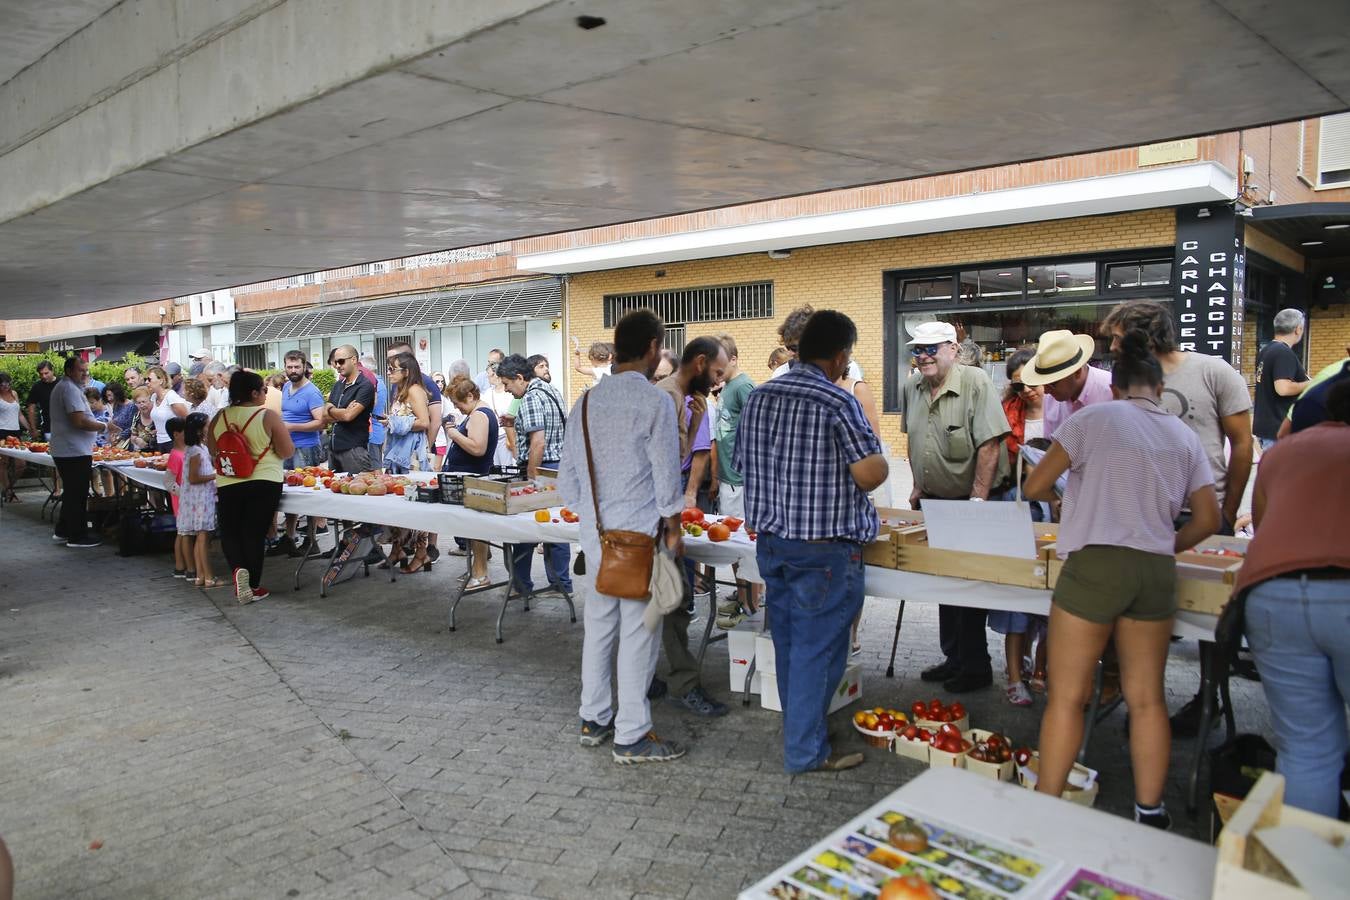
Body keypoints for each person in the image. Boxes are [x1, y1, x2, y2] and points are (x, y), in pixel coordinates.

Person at [1024, 328, 1219, 831]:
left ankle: (1046, 805)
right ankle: (1150, 810)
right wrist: (1163, 544)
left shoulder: (1093, 419)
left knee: (1067, 695)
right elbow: (1207, 518)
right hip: (1154, 570)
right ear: (1158, 388)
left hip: (1095, 563)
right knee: (1148, 697)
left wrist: (1079, 494)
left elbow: (1036, 483)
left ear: (1116, 386)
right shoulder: (1182, 435)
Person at [737, 310, 888, 773]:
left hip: (774, 544)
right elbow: (868, 473)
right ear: (841, 355)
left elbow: (742, 462)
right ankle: (806, 750)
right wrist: (880, 464)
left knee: (787, 641)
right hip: (823, 549)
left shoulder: (761, 397)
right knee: (818, 649)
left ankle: (801, 732)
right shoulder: (836, 401)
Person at [1101, 300, 1253, 735]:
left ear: (1144, 336)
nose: (1111, 346)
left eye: (1117, 337)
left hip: (1200, 516)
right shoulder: (1126, 379)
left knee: (1209, 617)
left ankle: (1208, 698)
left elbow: (1242, 444)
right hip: (1141, 518)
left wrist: (1225, 510)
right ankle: (1144, 703)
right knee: (1144, 619)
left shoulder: (1213, 372)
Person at [558, 309, 687, 764]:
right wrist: (674, 527)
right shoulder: (654, 403)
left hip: (595, 537)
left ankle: (593, 719)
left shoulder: (586, 403)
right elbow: (668, 481)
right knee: (639, 635)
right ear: (653, 348)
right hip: (638, 538)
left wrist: (595, 513)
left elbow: (567, 482)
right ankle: (632, 734)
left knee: (599, 628)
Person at [1236, 380, 1350, 816]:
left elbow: (1265, 524)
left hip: (1273, 593)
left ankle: (1305, 872)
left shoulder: (1283, 452)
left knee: (1305, 749)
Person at [901, 321, 1011, 693]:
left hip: (969, 502)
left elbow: (990, 443)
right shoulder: (912, 386)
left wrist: (979, 498)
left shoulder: (975, 382)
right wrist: (917, 483)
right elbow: (914, 438)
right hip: (935, 500)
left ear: (953, 348)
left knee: (968, 587)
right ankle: (954, 657)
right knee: (944, 586)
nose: (923, 356)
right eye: (917, 350)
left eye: (931, 349)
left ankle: (976, 665)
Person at [652, 337, 731, 716]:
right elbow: (664, 466)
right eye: (716, 372)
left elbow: (688, 453)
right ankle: (682, 684)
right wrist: (673, 527)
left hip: (661, 516)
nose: (719, 381)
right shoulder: (666, 397)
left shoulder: (690, 400)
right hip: (654, 519)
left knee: (667, 602)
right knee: (675, 601)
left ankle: (652, 678)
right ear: (699, 362)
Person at [208, 370, 295, 604]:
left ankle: (238, 570)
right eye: (264, 390)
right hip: (264, 480)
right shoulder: (267, 416)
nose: (266, 394)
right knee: (253, 534)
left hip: (228, 482)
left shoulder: (220, 417)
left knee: (230, 532)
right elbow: (287, 451)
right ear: (254, 392)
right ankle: (253, 586)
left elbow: (212, 450)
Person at [992, 347, 1047, 705]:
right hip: (1016, 504)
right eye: (1018, 385)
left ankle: (1041, 667)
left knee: (1047, 594)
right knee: (1015, 591)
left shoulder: (1064, 408)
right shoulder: (1006, 411)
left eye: (1032, 382)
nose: (1026, 390)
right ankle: (1014, 675)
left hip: (1057, 508)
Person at [497, 354, 572, 597]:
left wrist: (532, 479)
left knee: (523, 531)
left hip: (542, 467)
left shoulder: (529, 398)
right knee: (555, 529)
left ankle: (521, 586)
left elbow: (538, 443)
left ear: (520, 378)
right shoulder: (550, 390)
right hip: (559, 466)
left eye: (507, 384)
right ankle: (561, 584)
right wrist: (517, 420)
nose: (507, 390)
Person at [712, 334, 761, 628]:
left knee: (745, 544)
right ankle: (745, 594)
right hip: (729, 478)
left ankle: (750, 602)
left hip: (743, 480)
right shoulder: (727, 387)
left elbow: (759, 430)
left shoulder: (744, 386)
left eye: (720, 363)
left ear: (733, 359)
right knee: (735, 544)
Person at [443, 376, 501, 588]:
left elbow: (478, 448)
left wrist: (452, 433)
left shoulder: (479, 415)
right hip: (472, 477)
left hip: (472, 478)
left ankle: (480, 573)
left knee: (476, 529)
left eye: (458, 403)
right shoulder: (480, 413)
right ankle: (477, 570)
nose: (458, 408)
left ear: (470, 396)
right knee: (476, 529)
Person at [382, 351, 433, 573]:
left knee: (416, 506)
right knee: (397, 505)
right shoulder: (399, 390)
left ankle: (422, 554)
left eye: (392, 369)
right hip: (398, 456)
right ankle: (397, 549)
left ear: (407, 371)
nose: (389, 373)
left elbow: (424, 422)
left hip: (411, 458)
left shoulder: (414, 391)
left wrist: (395, 422)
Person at [49, 356, 107, 548]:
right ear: (68, 371)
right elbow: (79, 421)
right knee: (77, 493)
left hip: (71, 449)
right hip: (72, 450)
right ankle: (77, 535)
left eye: (86, 370)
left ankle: (63, 530)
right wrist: (103, 426)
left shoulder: (68, 387)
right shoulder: (68, 389)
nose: (85, 374)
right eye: (80, 370)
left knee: (72, 492)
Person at [277, 350, 328, 555]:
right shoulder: (287, 387)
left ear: (304, 367)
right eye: (289, 367)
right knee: (289, 493)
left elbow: (320, 423)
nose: (293, 371)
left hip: (306, 447)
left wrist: (292, 427)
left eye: (297, 367)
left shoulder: (312, 392)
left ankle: (312, 539)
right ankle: (289, 537)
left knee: (306, 494)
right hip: (287, 446)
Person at [1025, 331, 1114, 440]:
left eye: (1052, 383)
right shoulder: (1051, 397)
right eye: (1043, 383)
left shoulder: (1111, 391)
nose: (1046, 390)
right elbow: (1048, 444)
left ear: (1077, 372)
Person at [1252, 308, 1310, 450]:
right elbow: (1283, 389)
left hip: (1265, 427)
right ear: (1298, 329)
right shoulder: (1283, 353)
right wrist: (1312, 383)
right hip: (1278, 430)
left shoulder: (1266, 350)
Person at [771, 304, 864, 382]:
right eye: (788, 347)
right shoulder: (781, 373)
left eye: (795, 348)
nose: (790, 353)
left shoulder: (849, 369)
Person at [324, 345, 375, 474]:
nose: (337, 365)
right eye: (335, 362)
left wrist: (331, 409)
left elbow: (348, 416)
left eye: (341, 361)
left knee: (357, 490)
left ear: (353, 360)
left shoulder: (365, 386)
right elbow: (325, 416)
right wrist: (338, 410)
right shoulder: (337, 385)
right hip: (333, 450)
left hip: (354, 451)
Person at [165, 417, 191, 577]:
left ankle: (182, 565)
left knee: (184, 532)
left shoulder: (185, 451)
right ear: (176, 434)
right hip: (182, 500)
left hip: (186, 499)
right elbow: (169, 481)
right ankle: (180, 565)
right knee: (182, 533)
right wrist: (184, 494)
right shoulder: (176, 455)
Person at [145, 365, 189, 452]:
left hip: (173, 442)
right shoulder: (154, 397)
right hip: (160, 442)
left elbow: (186, 418)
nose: (146, 382)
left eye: (149, 379)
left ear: (161, 380)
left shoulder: (171, 396)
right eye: (145, 379)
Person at [0, 373, 27, 501]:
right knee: (3, 463)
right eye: (1, 383)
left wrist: (30, 428)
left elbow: (20, 414)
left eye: (7, 382)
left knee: (21, 464)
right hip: (1, 432)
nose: (5, 385)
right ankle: (9, 492)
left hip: (15, 432)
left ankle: (8, 488)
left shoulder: (14, 394)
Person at [26, 360, 57, 441]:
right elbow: (31, 409)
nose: (43, 376)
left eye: (46, 373)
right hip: (48, 429)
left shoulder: (62, 383)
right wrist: (33, 429)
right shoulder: (37, 387)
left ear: (52, 371)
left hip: (66, 429)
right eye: (41, 374)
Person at [123, 387, 159, 451]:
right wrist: (136, 440)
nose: (142, 405)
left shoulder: (158, 414)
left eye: (144, 402)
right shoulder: (136, 416)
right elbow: (133, 435)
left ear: (151, 401)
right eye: (138, 403)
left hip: (159, 451)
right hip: (142, 454)